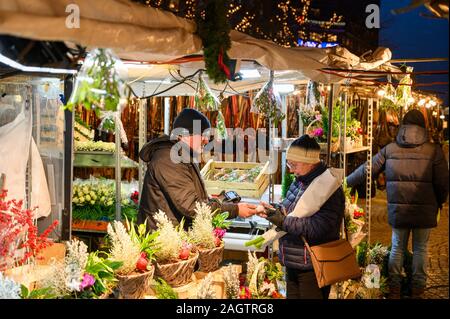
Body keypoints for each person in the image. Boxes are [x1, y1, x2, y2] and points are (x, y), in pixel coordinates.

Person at [347, 109, 449, 299]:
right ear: (423, 127)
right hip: (425, 210)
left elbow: (367, 169)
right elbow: (443, 182)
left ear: (402, 126)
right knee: (421, 249)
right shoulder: (433, 151)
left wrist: (345, 182)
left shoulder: (390, 149)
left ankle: (394, 288)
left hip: (398, 210)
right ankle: (418, 288)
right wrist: (440, 201)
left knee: (397, 247)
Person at [138, 108, 257, 229]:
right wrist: (235, 210)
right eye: (203, 135)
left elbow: (192, 198)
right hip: (162, 240)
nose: (206, 140)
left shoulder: (184, 156)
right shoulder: (169, 159)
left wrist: (218, 200)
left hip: (174, 236)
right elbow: (191, 207)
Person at [258, 135, 345, 299]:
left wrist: (283, 221)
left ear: (311, 162)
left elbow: (319, 227)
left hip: (313, 264)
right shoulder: (300, 180)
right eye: (288, 163)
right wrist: (273, 211)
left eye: (294, 164)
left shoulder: (328, 188)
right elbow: (291, 211)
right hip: (293, 260)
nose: (290, 169)